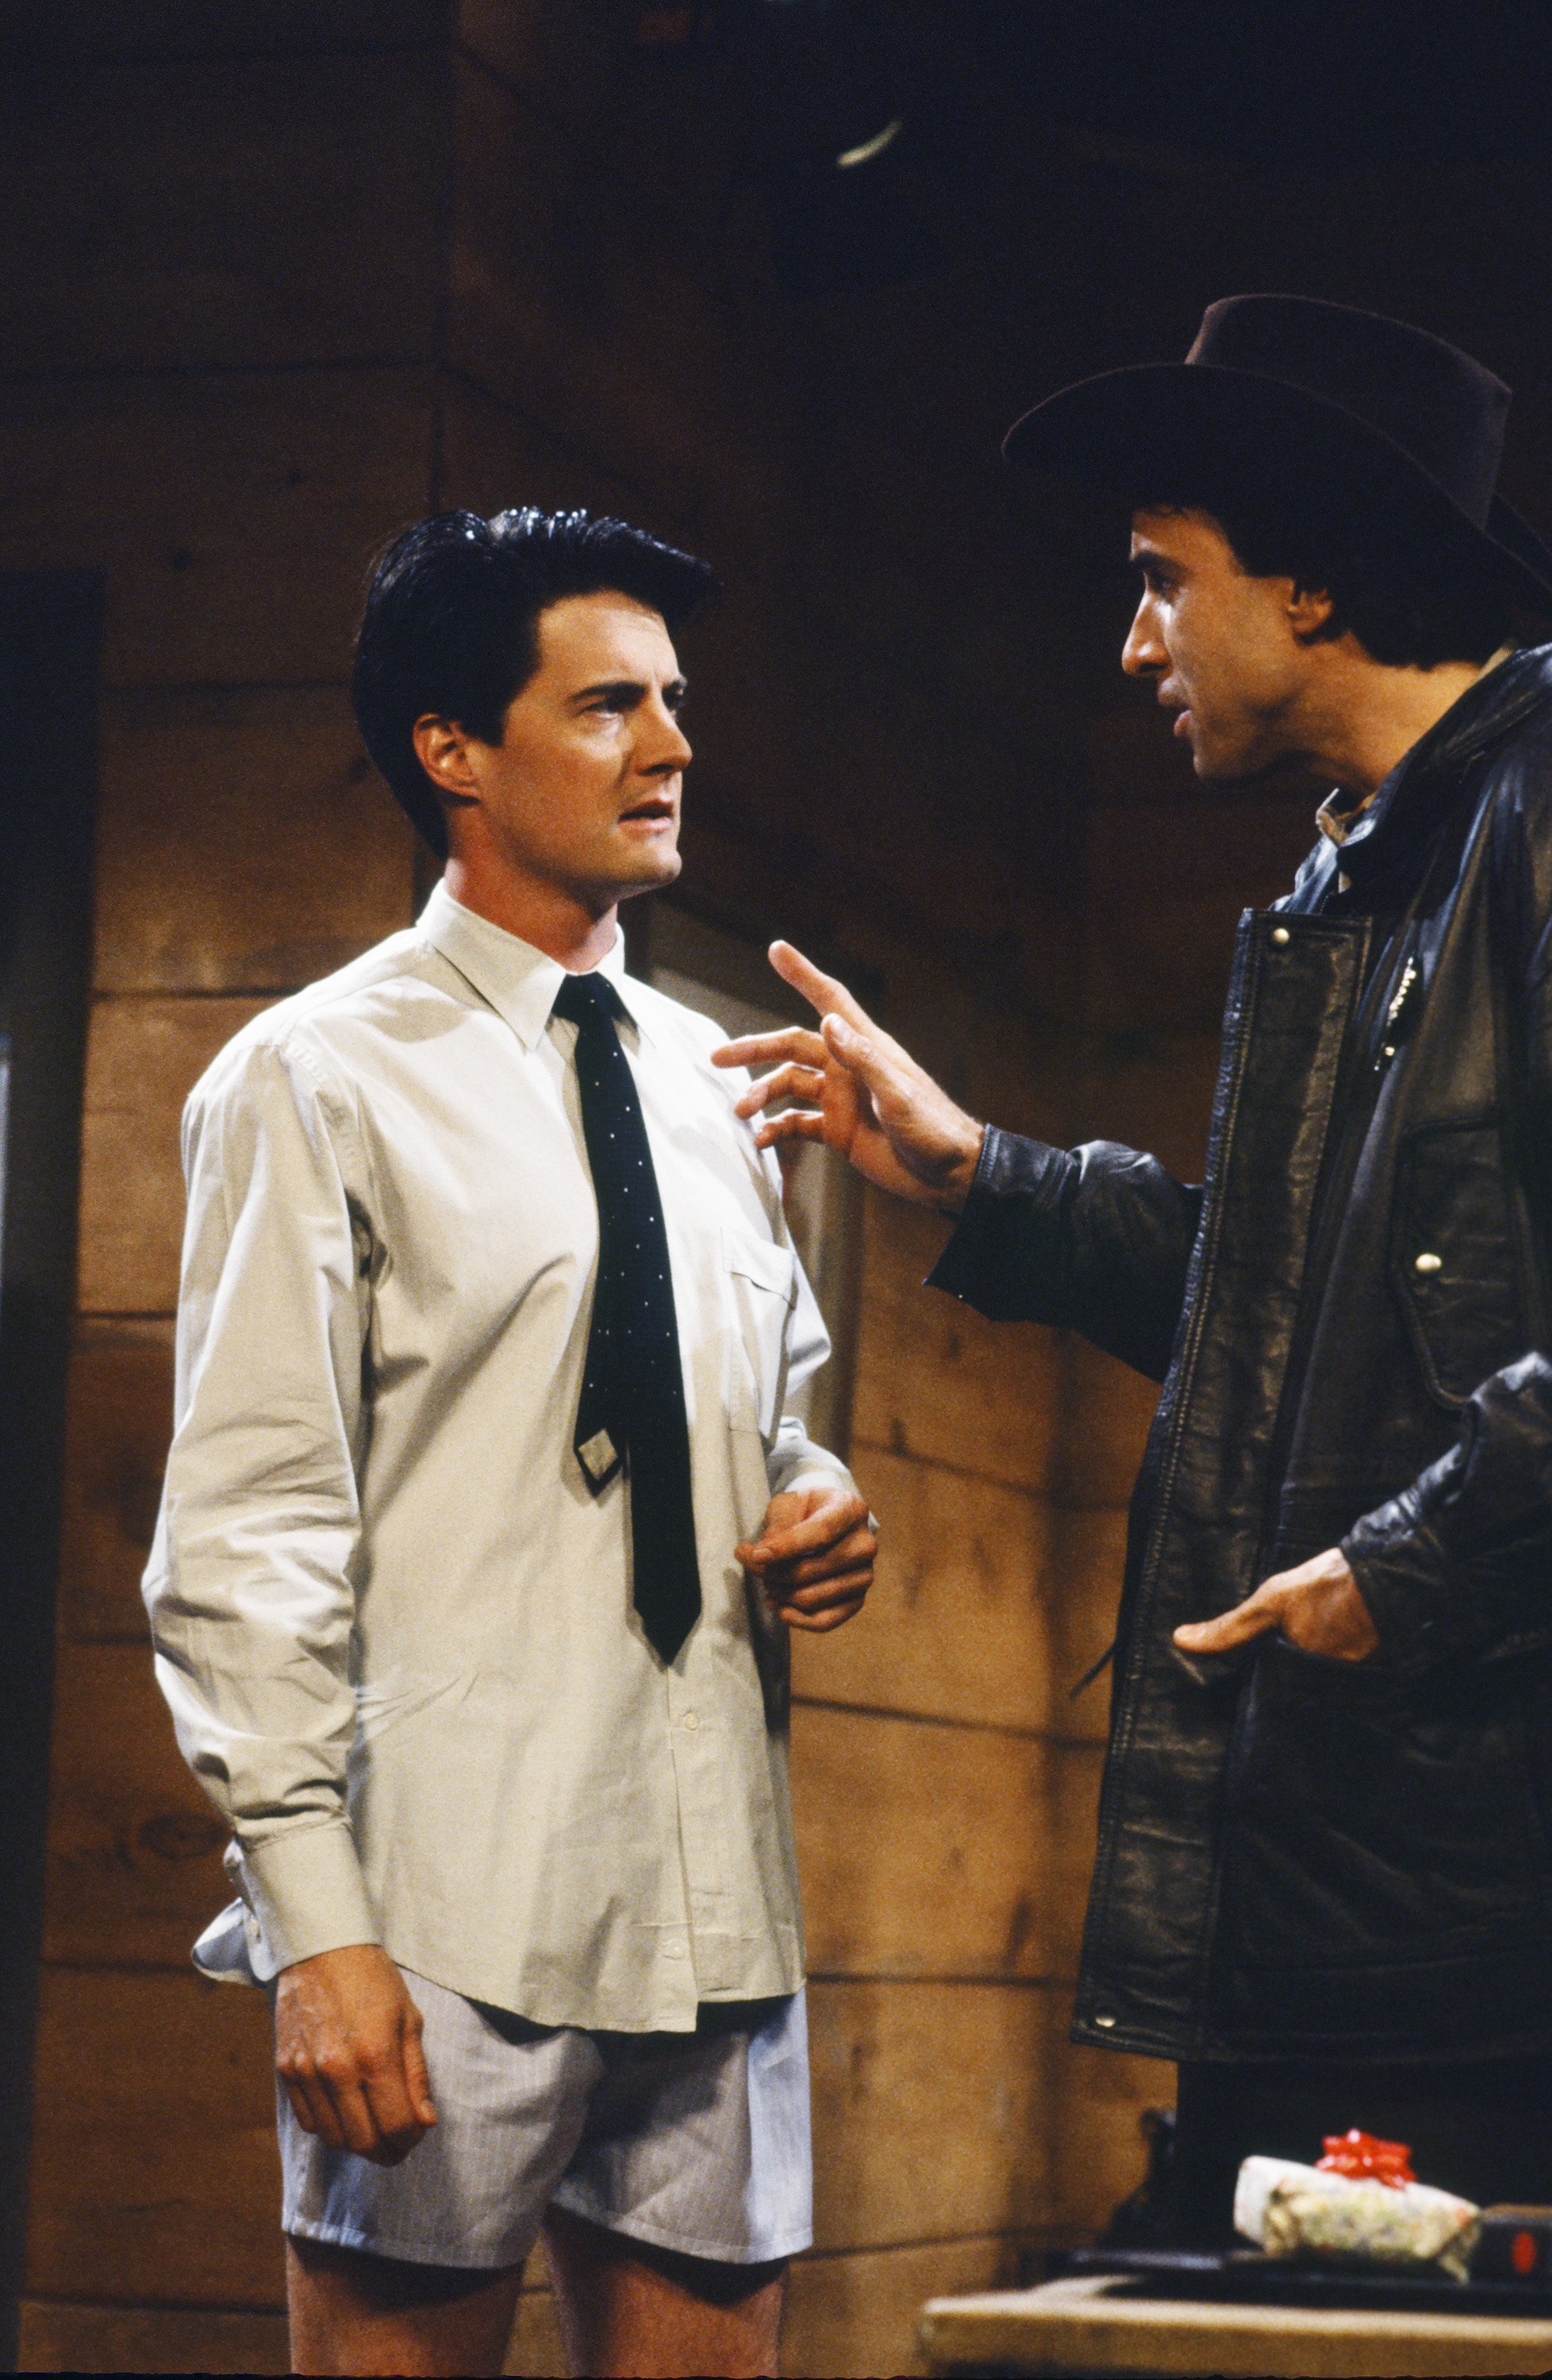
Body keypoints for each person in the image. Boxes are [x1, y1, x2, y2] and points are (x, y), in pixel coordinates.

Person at [720, 296, 1552, 2242]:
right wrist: (979, 1175)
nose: (1135, 641)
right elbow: (1300, 1321)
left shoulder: (1531, 824)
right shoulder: (1366, 874)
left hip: (1486, 1916)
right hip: (1353, 1888)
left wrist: (1398, 1571)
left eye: (1164, 582)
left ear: (1317, 585)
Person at [143, 505, 878, 2378]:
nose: (672, 745)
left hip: (716, 1897)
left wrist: (818, 1498)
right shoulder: (316, 1077)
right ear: (452, 752)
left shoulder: (714, 1085)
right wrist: (316, 1929)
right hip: (449, 1911)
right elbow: (246, 1535)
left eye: (677, 703)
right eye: (610, 705)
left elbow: (771, 1415)